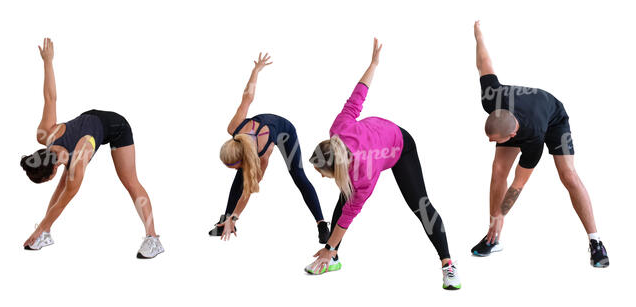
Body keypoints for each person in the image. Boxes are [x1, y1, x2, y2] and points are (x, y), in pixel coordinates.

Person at [305, 38, 461, 290]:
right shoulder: (338, 128)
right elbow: (357, 96)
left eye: (322, 173)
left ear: (336, 169)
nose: (322, 177)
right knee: (343, 198)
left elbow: (349, 216)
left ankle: (448, 265)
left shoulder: (363, 175)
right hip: (378, 138)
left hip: (400, 146)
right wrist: (373, 64)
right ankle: (332, 257)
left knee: (421, 205)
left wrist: (329, 245)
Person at [471, 21, 609, 267]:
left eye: (495, 141)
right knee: (497, 171)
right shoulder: (491, 98)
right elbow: (485, 64)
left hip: (553, 118)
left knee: (568, 176)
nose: (491, 143)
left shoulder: (533, 138)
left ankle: (595, 241)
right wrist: (479, 36)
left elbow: (517, 185)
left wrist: (501, 213)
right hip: (521, 116)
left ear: (512, 137)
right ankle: (494, 237)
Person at [20, 38, 164, 259]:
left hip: (116, 127)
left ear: (52, 170)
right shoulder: (46, 135)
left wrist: (39, 227)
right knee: (63, 185)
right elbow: (50, 97)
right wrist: (48, 62)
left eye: (48, 179)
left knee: (130, 181)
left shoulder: (78, 158)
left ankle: (153, 238)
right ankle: (46, 233)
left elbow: (64, 200)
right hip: (92, 119)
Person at [210, 53, 330, 243]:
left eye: (235, 165)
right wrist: (255, 70)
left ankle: (322, 223)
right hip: (261, 133)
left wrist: (236, 217)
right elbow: (247, 97)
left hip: (285, 132)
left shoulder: (263, 154)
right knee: (239, 177)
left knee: (298, 176)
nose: (235, 169)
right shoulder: (234, 127)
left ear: (244, 158)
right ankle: (224, 221)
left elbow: (250, 188)